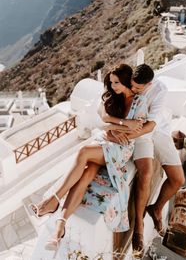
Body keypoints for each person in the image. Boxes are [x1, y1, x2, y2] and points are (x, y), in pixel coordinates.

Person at [29, 64, 152, 253]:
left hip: (121, 149)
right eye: (111, 83)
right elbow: (103, 122)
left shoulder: (140, 102)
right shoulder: (113, 98)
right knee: (86, 175)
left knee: (83, 152)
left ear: (127, 81)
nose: (113, 86)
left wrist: (113, 128)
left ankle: (53, 200)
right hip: (105, 142)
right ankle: (60, 227)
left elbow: (133, 131)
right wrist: (119, 124)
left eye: (117, 83)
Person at [106, 64, 185, 255]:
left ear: (149, 84)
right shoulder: (127, 85)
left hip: (156, 131)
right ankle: (139, 228)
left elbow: (150, 126)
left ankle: (156, 209)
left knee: (178, 180)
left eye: (138, 88)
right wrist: (116, 133)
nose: (133, 90)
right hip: (140, 137)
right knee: (146, 173)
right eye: (132, 85)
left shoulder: (160, 90)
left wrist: (119, 136)